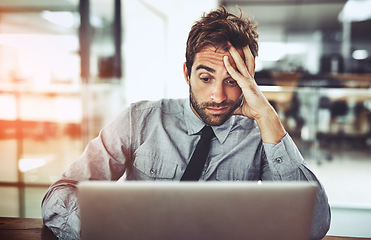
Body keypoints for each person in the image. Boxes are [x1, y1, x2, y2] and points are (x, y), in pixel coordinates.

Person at [42, 6, 331, 240]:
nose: (218, 95)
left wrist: (268, 116)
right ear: (187, 73)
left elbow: (313, 225)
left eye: (233, 81)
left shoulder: (260, 135)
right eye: (206, 78)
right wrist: (111, 232)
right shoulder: (139, 120)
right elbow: (59, 195)